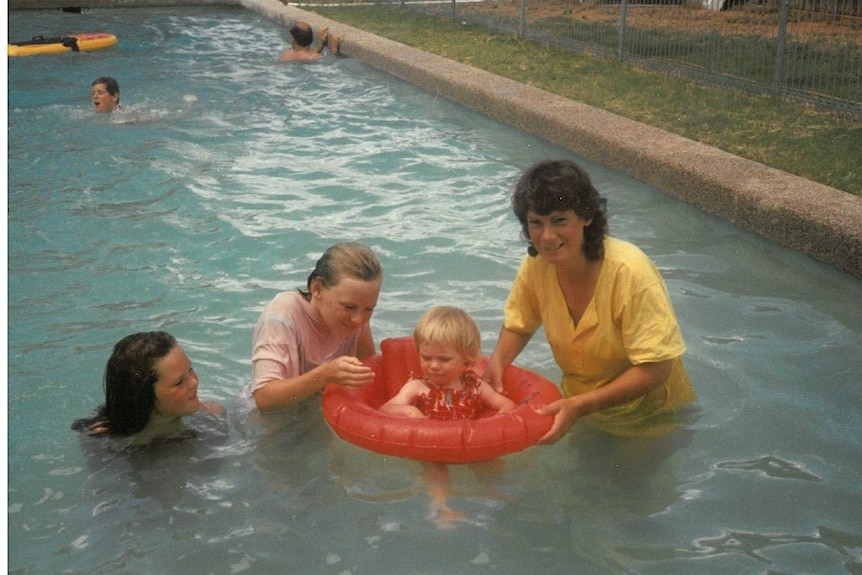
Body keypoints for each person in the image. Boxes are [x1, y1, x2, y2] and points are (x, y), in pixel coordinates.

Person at [484, 159, 696, 444]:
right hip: (580, 407)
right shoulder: (537, 265)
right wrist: (496, 364)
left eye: (560, 220)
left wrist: (582, 405)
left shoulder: (629, 271)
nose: (547, 237)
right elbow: (520, 323)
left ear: (586, 216)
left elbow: (657, 368)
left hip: (652, 415)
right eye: (536, 223)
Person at [250, 242, 383, 412]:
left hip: (316, 410)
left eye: (369, 309)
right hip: (271, 421)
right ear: (317, 288)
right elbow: (263, 399)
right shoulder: (282, 315)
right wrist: (325, 374)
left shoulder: (356, 315)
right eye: (349, 307)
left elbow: (369, 378)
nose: (359, 320)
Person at [72, 331, 223, 442]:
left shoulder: (211, 415)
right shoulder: (103, 440)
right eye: (179, 382)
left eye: (190, 369)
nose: (194, 382)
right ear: (144, 396)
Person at [380, 306, 515, 419]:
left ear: (466, 359)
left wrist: (497, 422)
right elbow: (386, 409)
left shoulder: (476, 387)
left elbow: (506, 404)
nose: (433, 366)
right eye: (426, 358)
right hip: (426, 443)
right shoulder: (417, 387)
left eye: (444, 359)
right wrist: (409, 412)